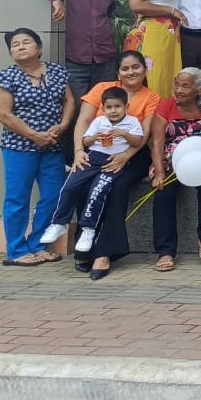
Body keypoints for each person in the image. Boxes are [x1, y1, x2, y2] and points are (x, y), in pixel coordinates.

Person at [70, 50, 162, 280]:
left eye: (136, 67)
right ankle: (85, 249)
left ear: (145, 69)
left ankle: (105, 253)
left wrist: (126, 155)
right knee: (82, 183)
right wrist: (79, 151)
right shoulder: (102, 88)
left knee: (116, 187)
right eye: (125, 68)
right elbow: (83, 121)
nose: (131, 72)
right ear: (118, 72)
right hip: (98, 151)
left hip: (134, 153)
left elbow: (145, 133)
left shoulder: (151, 96)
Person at [0, 28, 73, 266]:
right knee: (17, 198)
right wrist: (34, 135)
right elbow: (3, 114)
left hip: (53, 146)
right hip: (19, 147)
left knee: (53, 196)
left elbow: (69, 100)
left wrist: (63, 125)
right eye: (15, 45)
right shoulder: (4, 77)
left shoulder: (57, 71)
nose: (20, 46)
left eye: (26, 42)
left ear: (39, 48)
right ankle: (16, 250)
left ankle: (38, 245)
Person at [41, 86, 144, 255]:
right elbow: (86, 141)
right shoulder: (99, 121)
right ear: (103, 108)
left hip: (112, 161)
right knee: (70, 187)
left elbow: (138, 142)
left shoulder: (132, 122)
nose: (113, 111)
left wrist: (123, 134)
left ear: (126, 107)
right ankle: (59, 223)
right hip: (93, 158)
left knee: (97, 192)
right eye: (109, 107)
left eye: (118, 106)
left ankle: (88, 229)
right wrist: (95, 137)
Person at [149, 68, 201, 268]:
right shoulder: (166, 106)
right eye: (177, 84)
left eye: (185, 86)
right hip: (171, 158)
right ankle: (165, 251)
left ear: (199, 89)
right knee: (163, 192)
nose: (178, 90)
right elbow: (157, 142)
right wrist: (160, 173)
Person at [31, 0, 118, 98]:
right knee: (77, 105)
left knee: (107, 104)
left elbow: (109, 14)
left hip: (105, 59)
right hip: (75, 60)